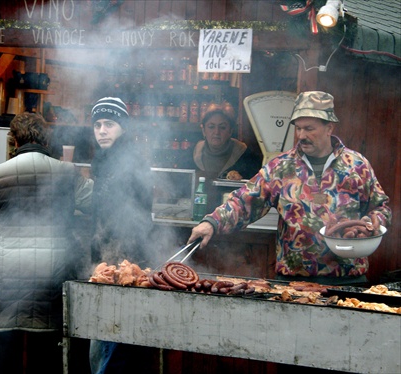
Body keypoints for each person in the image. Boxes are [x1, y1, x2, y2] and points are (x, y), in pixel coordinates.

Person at [187, 91, 391, 285]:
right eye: (298, 128)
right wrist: (212, 222)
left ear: (329, 127)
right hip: (293, 281)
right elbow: (244, 200)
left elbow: (381, 208)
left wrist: (371, 224)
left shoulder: (356, 165)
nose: (301, 135)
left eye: (309, 128)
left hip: (348, 278)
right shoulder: (281, 167)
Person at [0, 112, 93, 374]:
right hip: (50, 272)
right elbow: (96, 202)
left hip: (8, 273)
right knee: (46, 345)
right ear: (46, 139)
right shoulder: (66, 172)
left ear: (14, 139)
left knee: (8, 343)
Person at [88, 97, 156, 374]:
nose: (102, 130)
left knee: (114, 343)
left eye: (110, 124)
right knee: (105, 340)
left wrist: (119, 265)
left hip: (125, 263)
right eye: (97, 125)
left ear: (123, 128)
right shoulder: (102, 161)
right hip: (107, 261)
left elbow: (133, 218)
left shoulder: (131, 162)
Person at [192, 102, 262, 180]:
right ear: (203, 130)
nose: (216, 132)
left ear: (230, 131)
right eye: (211, 127)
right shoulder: (192, 154)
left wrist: (241, 177)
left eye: (222, 127)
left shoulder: (247, 156)